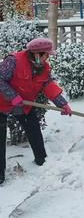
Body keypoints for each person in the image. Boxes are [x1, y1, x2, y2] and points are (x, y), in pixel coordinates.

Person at [0, 38, 72, 185]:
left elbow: (48, 84)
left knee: (34, 129)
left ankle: (43, 162)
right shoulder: (13, 61)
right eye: (47, 54)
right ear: (37, 54)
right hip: (1, 103)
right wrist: (12, 96)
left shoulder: (43, 67)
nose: (48, 57)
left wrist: (62, 103)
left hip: (23, 105)